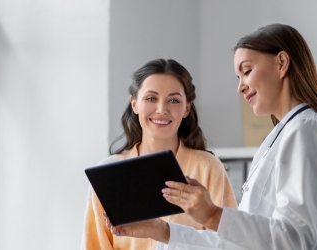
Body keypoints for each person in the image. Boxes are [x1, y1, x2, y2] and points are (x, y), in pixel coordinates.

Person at [105, 23, 317, 250]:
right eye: (238, 77)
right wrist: (162, 231)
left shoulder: (306, 130)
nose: (240, 86)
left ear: (282, 63)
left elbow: (295, 239)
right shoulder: (281, 135)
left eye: (247, 71)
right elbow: (237, 244)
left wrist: (212, 215)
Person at [80, 58, 238, 250]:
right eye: (151, 98)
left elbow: (230, 242)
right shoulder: (107, 175)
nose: (162, 110)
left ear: (187, 108)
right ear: (134, 104)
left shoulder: (208, 168)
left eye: (173, 100)